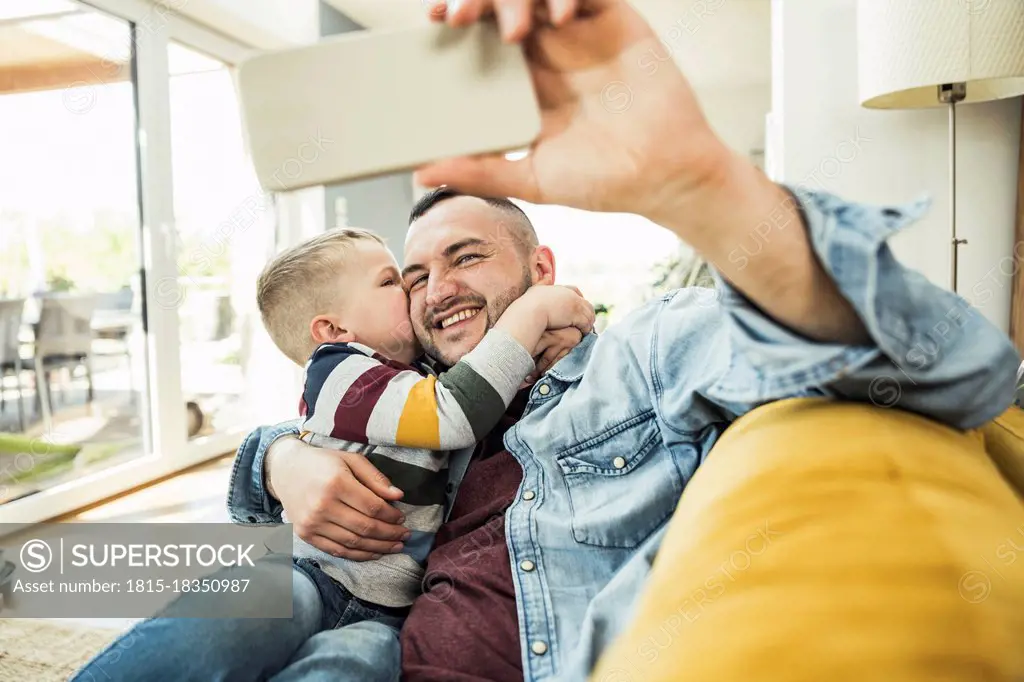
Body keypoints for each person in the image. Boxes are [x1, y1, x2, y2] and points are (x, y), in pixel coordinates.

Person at [82, 0, 1022, 680]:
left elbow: (964, 373)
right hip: (359, 621)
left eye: (466, 256)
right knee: (229, 594)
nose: (438, 290)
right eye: (412, 279)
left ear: (541, 273)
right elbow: (298, 474)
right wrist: (276, 455)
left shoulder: (642, 355)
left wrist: (700, 186)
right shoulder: (414, 393)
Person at [72, 227, 592, 681]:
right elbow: (451, 413)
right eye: (395, 281)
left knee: (364, 659)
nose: (419, 293)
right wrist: (533, 311)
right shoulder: (340, 370)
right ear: (334, 329)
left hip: (381, 613)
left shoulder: (416, 376)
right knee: (251, 611)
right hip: (310, 575)